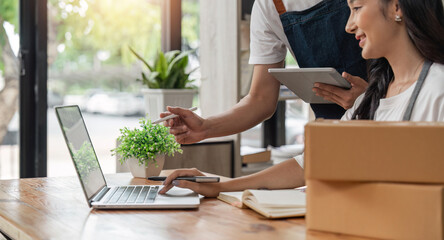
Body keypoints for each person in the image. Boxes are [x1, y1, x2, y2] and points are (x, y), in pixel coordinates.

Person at [159, 0, 444, 197]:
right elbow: (310, 162)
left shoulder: (436, 92)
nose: (349, 25)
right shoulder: (368, 104)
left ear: (397, 7)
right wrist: (220, 183)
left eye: (356, 8)